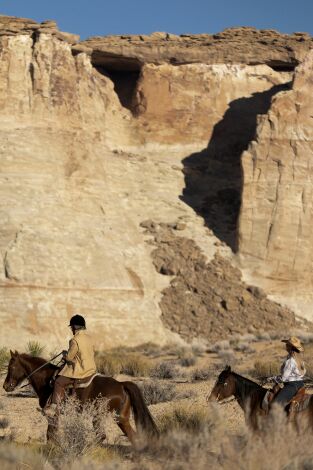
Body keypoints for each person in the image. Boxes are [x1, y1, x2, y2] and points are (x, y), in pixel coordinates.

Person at [44, 314, 96, 417]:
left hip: (81, 371)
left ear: (75, 327)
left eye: (72, 327)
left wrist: (65, 355)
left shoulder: (74, 340)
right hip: (92, 369)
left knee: (58, 382)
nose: (71, 329)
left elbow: (69, 357)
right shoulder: (89, 338)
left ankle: (54, 406)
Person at [270, 336, 306, 408]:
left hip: (291, 386)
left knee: (275, 405)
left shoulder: (290, 361)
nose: (285, 345)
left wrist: (272, 378)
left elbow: (283, 378)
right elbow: (302, 373)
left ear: (290, 347)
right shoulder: (300, 360)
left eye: (287, 344)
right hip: (300, 384)